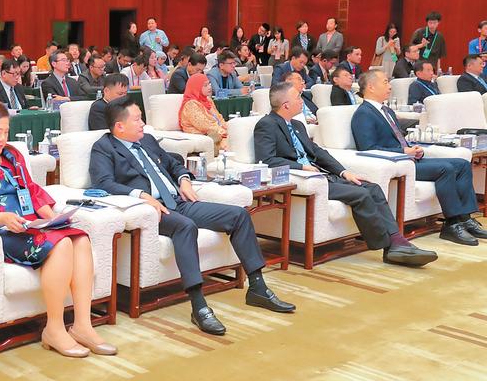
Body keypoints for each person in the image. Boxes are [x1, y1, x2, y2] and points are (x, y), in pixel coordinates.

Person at [91, 97, 294, 334]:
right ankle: (199, 306)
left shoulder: (146, 140)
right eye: (137, 119)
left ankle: (258, 287)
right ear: (119, 126)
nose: (143, 123)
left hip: (179, 202)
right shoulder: (104, 148)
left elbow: (173, 163)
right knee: (185, 226)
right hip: (153, 210)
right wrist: (141, 195)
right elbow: (103, 183)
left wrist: (184, 179)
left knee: (239, 215)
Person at [0, 100, 113, 356]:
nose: (3, 139)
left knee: (80, 239)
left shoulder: (12, 154)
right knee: (62, 244)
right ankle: (54, 329)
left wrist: (52, 217)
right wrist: (2, 218)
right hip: (0, 230)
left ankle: (83, 325)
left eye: (6, 132)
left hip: (29, 223)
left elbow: (30, 189)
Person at [254, 82, 438, 267]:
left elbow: (318, 152)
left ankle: (397, 241)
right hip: (308, 179)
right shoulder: (267, 125)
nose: (302, 100)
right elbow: (267, 159)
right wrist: (301, 168)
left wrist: (344, 172)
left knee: (372, 188)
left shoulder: (297, 125)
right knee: (361, 194)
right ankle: (391, 246)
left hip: (323, 175)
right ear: (286, 105)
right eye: (297, 97)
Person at [351, 70, 486, 245]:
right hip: (397, 163)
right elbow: (368, 148)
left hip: (409, 158)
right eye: (385, 82)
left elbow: (398, 138)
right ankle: (452, 224)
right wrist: (403, 152)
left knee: (462, 164)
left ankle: (466, 219)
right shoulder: (364, 113)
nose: (390, 86)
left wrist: (413, 149)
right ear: (370, 87)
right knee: (446, 169)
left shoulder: (386, 110)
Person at [179, 73, 228, 155]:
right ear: (196, 87)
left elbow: (219, 118)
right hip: (205, 135)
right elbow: (205, 126)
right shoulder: (191, 105)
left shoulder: (208, 100)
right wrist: (224, 131)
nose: (209, 87)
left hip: (217, 132)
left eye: (209, 84)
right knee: (234, 141)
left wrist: (228, 127)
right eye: (205, 85)